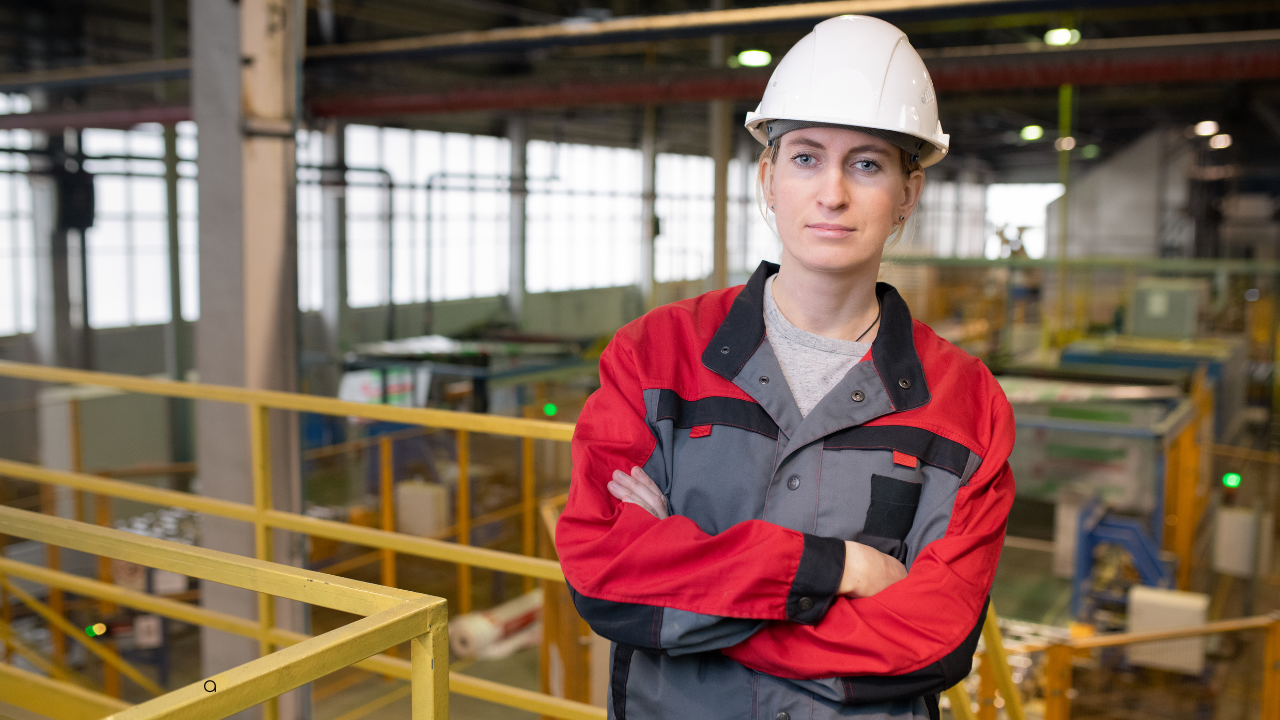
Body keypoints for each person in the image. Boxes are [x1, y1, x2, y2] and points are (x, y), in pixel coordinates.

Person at [555, 15, 1015, 720]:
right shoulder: (653, 356)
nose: (832, 193)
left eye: (866, 163)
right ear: (769, 178)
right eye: (805, 157)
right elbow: (606, 575)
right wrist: (838, 571)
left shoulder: (966, 403)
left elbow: (933, 642)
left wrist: (695, 595)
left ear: (907, 195)